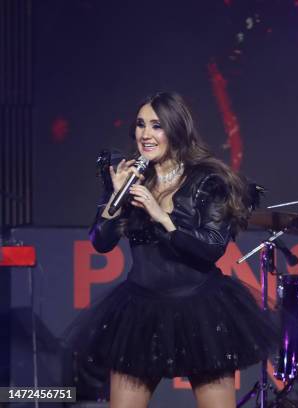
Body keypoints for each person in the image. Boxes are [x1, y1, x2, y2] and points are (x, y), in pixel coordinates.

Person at [69, 92, 276, 408]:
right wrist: (114, 200)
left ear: (176, 130)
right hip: (140, 310)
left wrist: (162, 217)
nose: (145, 134)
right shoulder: (129, 176)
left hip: (201, 309)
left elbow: (210, 249)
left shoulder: (209, 180)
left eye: (156, 126)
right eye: (140, 125)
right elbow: (101, 242)